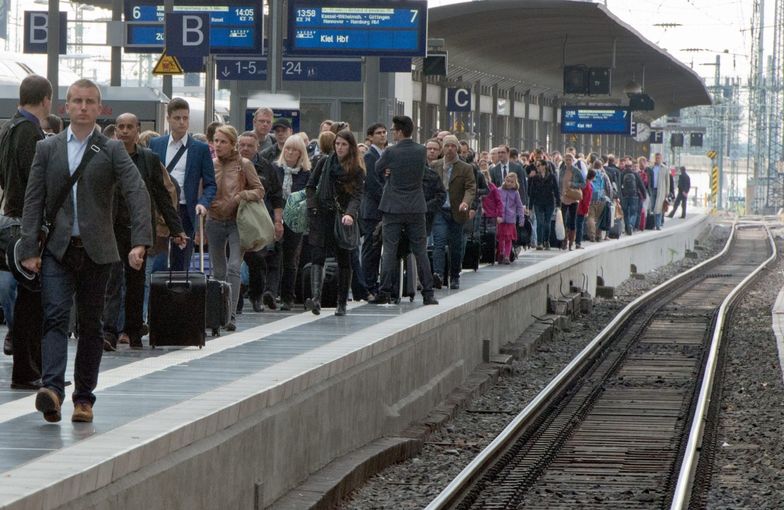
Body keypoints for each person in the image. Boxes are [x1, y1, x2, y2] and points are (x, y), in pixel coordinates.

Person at [20, 78, 152, 423]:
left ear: (99, 108)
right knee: (55, 317)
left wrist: (140, 240)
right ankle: (51, 390)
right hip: (57, 250)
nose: (82, 106)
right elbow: (33, 199)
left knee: (91, 325)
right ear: (65, 106)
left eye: (89, 101)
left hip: (98, 251)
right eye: (76, 100)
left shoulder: (111, 149)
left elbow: (136, 191)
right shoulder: (47, 149)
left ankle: (84, 399)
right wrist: (29, 247)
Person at [102, 112, 186, 351]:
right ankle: (109, 331)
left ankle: (134, 329)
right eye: (121, 126)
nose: (125, 131)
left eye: (130, 126)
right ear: (116, 130)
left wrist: (176, 228)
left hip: (139, 228)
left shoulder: (149, 159)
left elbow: (161, 195)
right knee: (113, 279)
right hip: (112, 227)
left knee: (137, 281)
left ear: (138, 130)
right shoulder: (107, 156)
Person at [0, 75, 52, 388]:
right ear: (46, 99)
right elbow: (34, 184)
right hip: (26, 225)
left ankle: (32, 368)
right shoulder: (30, 132)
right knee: (32, 300)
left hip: (12, 219)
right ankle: (28, 370)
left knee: (25, 298)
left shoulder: (7, 127)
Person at [369, 115, 437, 305]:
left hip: (393, 207)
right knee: (420, 251)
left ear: (399, 131)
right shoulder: (421, 151)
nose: (392, 133)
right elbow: (422, 172)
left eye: (393, 130)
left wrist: (388, 171)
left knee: (390, 250)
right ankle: (428, 293)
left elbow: (377, 168)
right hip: (416, 206)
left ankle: (384, 291)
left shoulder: (391, 152)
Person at [207, 125, 265, 330]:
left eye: (223, 141)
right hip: (213, 220)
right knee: (218, 270)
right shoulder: (210, 164)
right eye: (216, 140)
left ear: (233, 144)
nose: (218, 145)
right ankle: (219, 313)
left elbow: (259, 190)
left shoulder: (244, 164)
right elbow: (203, 188)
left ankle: (231, 314)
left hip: (236, 221)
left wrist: (241, 196)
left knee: (233, 266)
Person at [149, 98, 217, 271]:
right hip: (160, 210)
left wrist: (203, 203)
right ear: (169, 118)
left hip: (186, 209)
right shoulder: (156, 144)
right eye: (177, 118)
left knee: (182, 263)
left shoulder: (200, 149)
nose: (182, 122)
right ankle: (158, 297)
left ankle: (178, 297)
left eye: (185, 118)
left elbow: (210, 184)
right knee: (159, 261)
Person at [305, 129, 364, 316]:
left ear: (351, 147)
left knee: (343, 258)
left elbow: (357, 195)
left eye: (344, 144)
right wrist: (313, 206)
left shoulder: (356, 169)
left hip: (342, 217)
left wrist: (350, 214)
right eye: (337, 144)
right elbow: (310, 186)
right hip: (322, 214)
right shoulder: (324, 162)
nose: (339, 148)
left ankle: (341, 303)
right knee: (317, 255)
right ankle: (316, 299)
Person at [237, 131, 284, 312]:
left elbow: (277, 196)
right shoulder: (231, 165)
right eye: (242, 145)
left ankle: (256, 297)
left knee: (257, 261)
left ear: (257, 147)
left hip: (257, 222)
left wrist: (278, 221)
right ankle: (236, 302)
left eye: (250, 145)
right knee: (234, 262)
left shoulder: (267, 167)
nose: (245, 149)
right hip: (234, 220)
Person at [430, 135, 476, 290]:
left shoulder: (465, 168)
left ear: (457, 148)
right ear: (443, 147)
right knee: (439, 242)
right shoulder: (435, 165)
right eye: (447, 146)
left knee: (455, 245)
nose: (450, 149)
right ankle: (438, 274)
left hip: (456, 210)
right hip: (439, 210)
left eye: (453, 146)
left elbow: (471, 188)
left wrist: (466, 202)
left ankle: (454, 275)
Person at [271, 134, 310, 310]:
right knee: (272, 255)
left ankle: (288, 297)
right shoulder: (274, 169)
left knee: (290, 259)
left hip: (296, 220)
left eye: (294, 149)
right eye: (287, 148)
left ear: (301, 153)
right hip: (275, 217)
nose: (290, 152)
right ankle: (271, 293)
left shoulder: (306, 173)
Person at [360, 123, 387, 299]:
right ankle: (367, 285)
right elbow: (372, 183)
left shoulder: (384, 154)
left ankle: (372, 283)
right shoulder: (370, 156)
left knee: (376, 249)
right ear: (370, 137)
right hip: (371, 210)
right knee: (370, 248)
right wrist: (387, 200)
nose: (383, 135)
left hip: (381, 208)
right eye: (378, 133)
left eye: (384, 132)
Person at [527, 158, 560, 250]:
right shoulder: (535, 178)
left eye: (538, 165)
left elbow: (556, 190)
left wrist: (558, 204)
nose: (537, 167)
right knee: (540, 222)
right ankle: (539, 243)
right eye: (536, 166)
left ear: (544, 166)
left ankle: (546, 241)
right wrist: (530, 207)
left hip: (549, 202)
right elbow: (532, 192)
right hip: (538, 202)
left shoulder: (552, 177)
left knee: (547, 222)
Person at [496, 173, 526, 264]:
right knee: (501, 237)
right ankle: (501, 252)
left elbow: (519, 206)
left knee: (508, 238)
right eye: (508, 181)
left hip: (510, 219)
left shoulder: (515, 193)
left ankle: (507, 256)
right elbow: (496, 203)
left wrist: (521, 218)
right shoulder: (499, 190)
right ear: (505, 180)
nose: (509, 183)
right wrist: (496, 215)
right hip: (500, 219)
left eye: (511, 182)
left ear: (515, 183)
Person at [559, 153, 585, 250]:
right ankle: (564, 241)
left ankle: (571, 243)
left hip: (573, 199)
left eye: (570, 159)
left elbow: (583, 184)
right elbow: (559, 184)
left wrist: (573, 184)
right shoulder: (562, 170)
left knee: (572, 220)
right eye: (566, 159)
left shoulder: (577, 171)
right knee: (563, 220)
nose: (568, 161)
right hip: (563, 198)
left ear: (573, 160)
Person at [619, 157, 647, 235]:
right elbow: (641, 185)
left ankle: (627, 228)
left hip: (625, 196)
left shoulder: (622, 174)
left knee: (625, 213)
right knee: (633, 212)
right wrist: (644, 195)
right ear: (631, 166)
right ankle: (631, 225)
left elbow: (619, 185)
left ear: (625, 166)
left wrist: (620, 195)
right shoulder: (635, 174)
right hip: (634, 195)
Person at [575, 169, 596, 249]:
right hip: (581, 208)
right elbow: (586, 200)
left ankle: (573, 241)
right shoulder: (588, 186)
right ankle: (578, 242)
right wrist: (586, 210)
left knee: (576, 224)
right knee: (580, 225)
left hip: (577, 205)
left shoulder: (583, 183)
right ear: (593, 177)